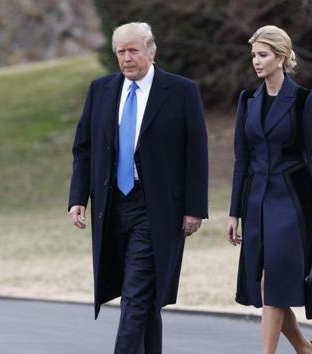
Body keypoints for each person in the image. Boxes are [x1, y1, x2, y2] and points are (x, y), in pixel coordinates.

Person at [68, 22, 208, 354]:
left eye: (133, 50)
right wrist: (78, 198)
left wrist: (194, 208)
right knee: (143, 296)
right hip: (112, 206)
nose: (127, 58)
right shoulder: (100, 90)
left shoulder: (181, 90)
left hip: (157, 207)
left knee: (136, 293)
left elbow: (197, 151)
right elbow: (84, 149)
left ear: (151, 51)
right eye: (121, 52)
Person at [225, 25, 312, 354]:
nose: (256, 61)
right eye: (254, 55)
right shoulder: (248, 100)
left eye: (263, 55)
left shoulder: (304, 100)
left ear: (281, 57)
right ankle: (305, 349)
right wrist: (234, 212)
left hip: (291, 203)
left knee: (274, 284)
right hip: (255, 202)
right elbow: (241, 160)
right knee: (266, 285)